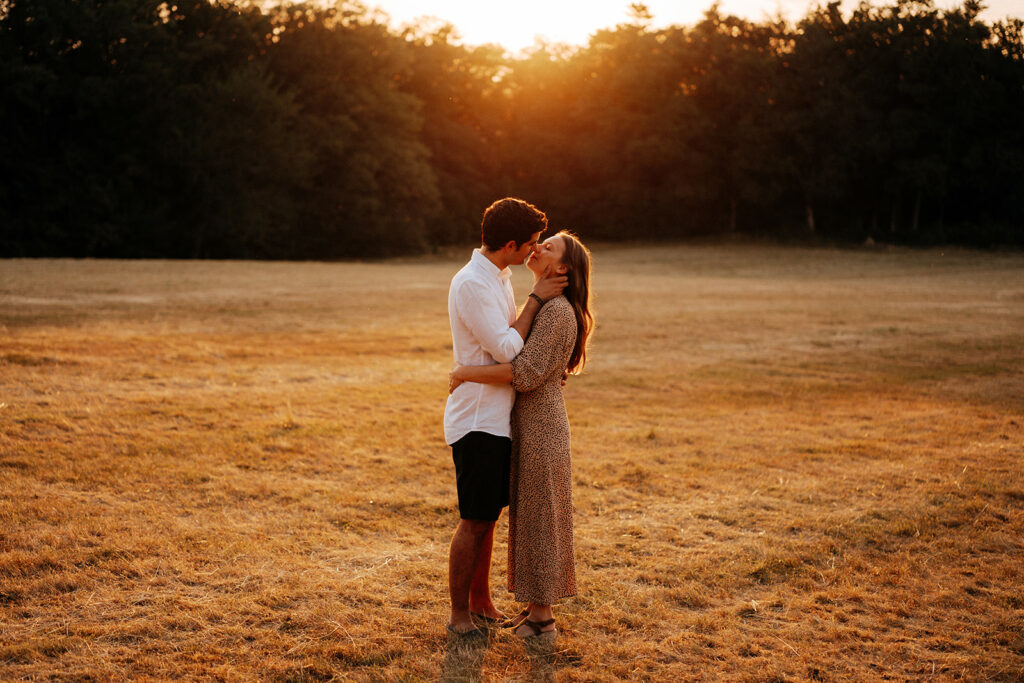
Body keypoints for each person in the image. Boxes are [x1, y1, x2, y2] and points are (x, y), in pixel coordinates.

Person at [449, 230, 594, 646]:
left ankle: (543, 620)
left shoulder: (555, 312)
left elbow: (525, 373)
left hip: (541, 426)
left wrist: (464, 373)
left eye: (549, 247)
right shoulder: (544, 305)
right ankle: (535, 612)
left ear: (562, 268)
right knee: (532, 519)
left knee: (542, 521)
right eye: (540, 241)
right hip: (529, 423)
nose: (539, 248)